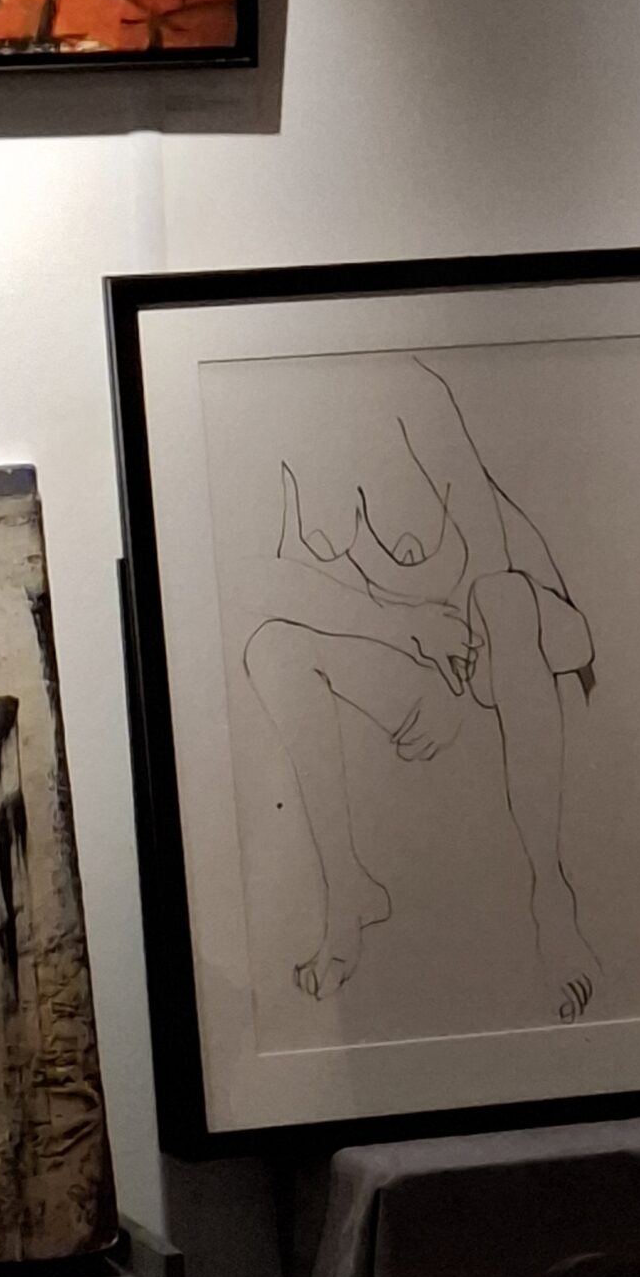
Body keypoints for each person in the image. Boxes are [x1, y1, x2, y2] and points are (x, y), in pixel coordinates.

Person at [239, 356, 598, 1022]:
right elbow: (260, 582)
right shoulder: (267, 428)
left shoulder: (410, 394)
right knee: (271, 648)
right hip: (420, 648)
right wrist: (403, 633)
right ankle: (348, 891)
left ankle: (553, 897)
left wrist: (450, 679)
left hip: (515, 629)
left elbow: (490, 556)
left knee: (503, 598)